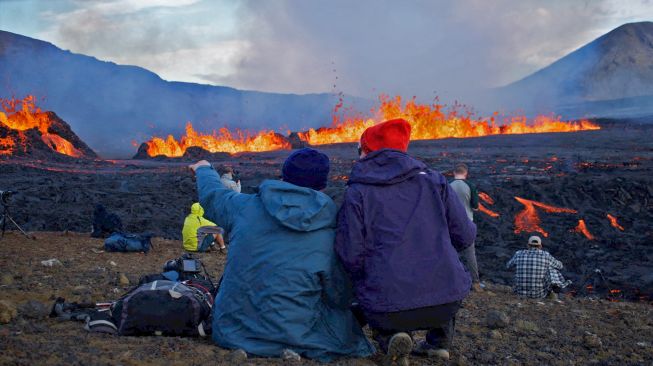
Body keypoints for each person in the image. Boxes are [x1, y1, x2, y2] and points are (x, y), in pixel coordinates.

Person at [188, 148, 374, 362]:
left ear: (283, 176)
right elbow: (338, 297)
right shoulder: (331, 231)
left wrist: (203, 168)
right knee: (341, 318)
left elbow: (213, 196)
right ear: (322, 185)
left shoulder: (243, 207)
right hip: (295, 337)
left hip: (232, 332)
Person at [335, 118, 477, 364]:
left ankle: (391, 337)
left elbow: (351, 254)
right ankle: (439, 343)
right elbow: (465, 235)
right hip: (445, 301)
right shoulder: (435, 181)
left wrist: (361, 284)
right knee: (445, 272)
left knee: (374, 287)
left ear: (367, 151)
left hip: (388, 304)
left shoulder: (357, 192)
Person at [449, 163, 483, 291]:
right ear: (466, 173)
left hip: (450, 224)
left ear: (454, 173)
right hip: (467, 224)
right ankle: (475, 283)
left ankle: (450, 280)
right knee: (470, 253)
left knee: (450, 252)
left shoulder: (447, 185)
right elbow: (475, 206)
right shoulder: (470, 186)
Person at [506, 236, 571, 299]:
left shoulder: (518, 254)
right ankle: (554, 293)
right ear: (540, 246)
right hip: (539, 295)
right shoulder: (546, 255)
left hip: (519, 293)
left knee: (519, 267)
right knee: (551, 269)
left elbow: (508, 265)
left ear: (528, 245)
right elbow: (560, 266)